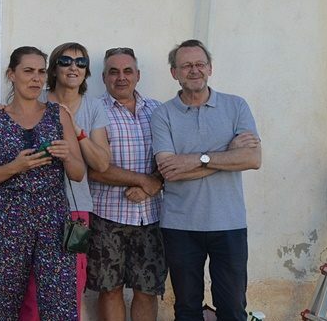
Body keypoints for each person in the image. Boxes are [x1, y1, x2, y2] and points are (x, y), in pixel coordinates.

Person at [151, 39, 262, 321]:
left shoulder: (236, 106)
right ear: (174, 72)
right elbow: (169, 170)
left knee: (233, 309)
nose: (194, 70)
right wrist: (228, 154)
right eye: (186, 65)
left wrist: (196, 159)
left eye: (200, 64)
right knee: (187, 309)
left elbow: (252, 159)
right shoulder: (162, 114)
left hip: (229, 223)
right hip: (180, 225)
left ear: (210, 68)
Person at [0, 46, 86, 321]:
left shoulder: (58, 115)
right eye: (28, 71)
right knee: (5, 305)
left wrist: (67, 155)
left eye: (41, 71)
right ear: (11, 74)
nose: (36, 78)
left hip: (53, 220)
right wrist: (15, 167)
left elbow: (78, 173)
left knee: (60, 305)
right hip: (8, 221)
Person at [20, 42, 111, 320]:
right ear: (54, 69)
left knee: (71, 285)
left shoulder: (93, 107)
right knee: (31, 289)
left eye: (81, 62)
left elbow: (102, 163)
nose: (74, 67)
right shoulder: (35, 100)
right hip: (33, 207)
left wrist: (76, 130)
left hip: (75, 212)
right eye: (66, 61)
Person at [87, 47, 167, 321]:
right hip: (107, 217)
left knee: (147, 289)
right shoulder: (93, 110)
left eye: (127, 71)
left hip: (151, 216)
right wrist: (143, 180)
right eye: (113, 72)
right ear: (103, 77)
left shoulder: (158, 110)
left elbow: (172, 156)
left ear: (138, 75)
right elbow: (94, 169)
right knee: (110, 289)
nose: (121, 77)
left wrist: (155, 182)